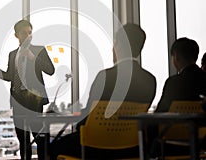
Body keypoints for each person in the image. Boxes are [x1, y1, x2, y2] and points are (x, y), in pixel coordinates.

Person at [49, 23, 156, 159]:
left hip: (94, 147)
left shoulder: (105, 77)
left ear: (118, 46)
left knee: (52, 146)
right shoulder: (150, 80)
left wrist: (78, 125)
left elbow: (88, 115)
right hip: (130, 148)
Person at [0, 19, 55, 160]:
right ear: (16, 35)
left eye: (30, 33)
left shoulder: (39, 50)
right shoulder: (12, 54)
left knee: (39, 138)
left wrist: (33, 57)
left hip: (34, 101)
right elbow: (10, 76)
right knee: (23, 140)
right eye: (24, 33)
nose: (28, 36)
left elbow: (50, 70)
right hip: (18, 100)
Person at [150, 38, 206, 157]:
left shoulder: (174, 82)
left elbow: (160, 113)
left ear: (175, 56)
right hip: (200, 141)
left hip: (172, 143)